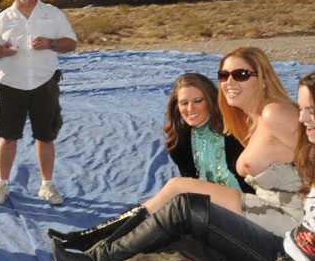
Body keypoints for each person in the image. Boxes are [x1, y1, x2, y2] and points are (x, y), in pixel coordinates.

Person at [52, 72, 315, 261]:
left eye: (310, 111)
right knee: (186, 207)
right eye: (302, 109)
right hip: (286, 249)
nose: (302, 118)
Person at [52, 47, 302, 253]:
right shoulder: (194, 138)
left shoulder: (250, 123)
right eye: (224, 75)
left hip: (275, 213)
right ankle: (94, 240)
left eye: (241, 74)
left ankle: (98, 248)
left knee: (175, 190)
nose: (230, 81)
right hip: (243, 205)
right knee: (163, 202)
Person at [49, 72, 251, 251]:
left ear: (211, 100)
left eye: (198, 100)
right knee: (158, 209)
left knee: (172, 194)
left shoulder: (233, 131)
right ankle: (93, 238)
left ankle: (93, 240)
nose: (190, 109)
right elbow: (192, 183)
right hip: (211, 206)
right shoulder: (181, 141)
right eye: (184, 103)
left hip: (247, 209)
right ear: (176, 105)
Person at [0, 0, 77, 205]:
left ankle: (47, 185)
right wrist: (1, 50)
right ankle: (2, 184)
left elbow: (71, 43)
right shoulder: (2, 18)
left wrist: (51, 43)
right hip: (11, 85)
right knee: (8, 136)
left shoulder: (52, 14)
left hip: (44, 83)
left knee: (45, 137)